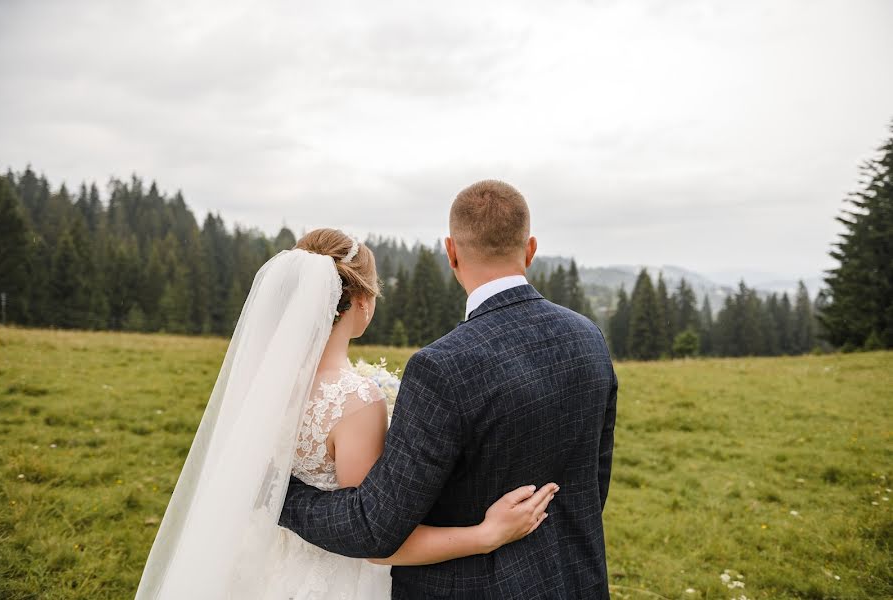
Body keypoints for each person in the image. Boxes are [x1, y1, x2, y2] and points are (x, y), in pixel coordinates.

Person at [135, 227, 557, 599]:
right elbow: (373, 539)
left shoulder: (262, 387)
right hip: (333, 577)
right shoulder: (355, 400)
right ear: (361, 301)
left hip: (263, 557)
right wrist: (485, 536)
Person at [280, 180, 619, 599]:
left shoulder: (442, 367)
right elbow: (593, 482)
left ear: (451, 251)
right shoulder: (589, 338)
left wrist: (280, 492)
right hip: (575, 581)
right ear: (530, 249)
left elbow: (375, 527)